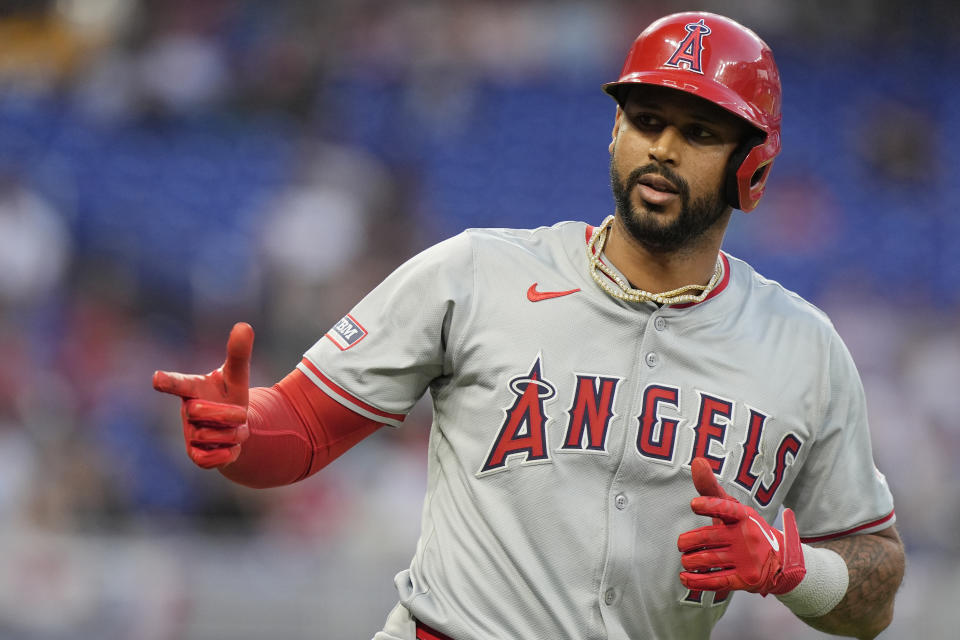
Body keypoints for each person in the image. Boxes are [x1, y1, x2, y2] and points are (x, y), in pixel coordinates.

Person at [153, 12, 905, 640]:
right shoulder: (477, 273)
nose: (663, 148)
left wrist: (794, 567)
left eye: (700, 133)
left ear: (755, 171)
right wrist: (242, 434)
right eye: (646, 120)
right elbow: (302, 431)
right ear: (615, 131)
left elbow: (874, 593)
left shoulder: (804, 350)